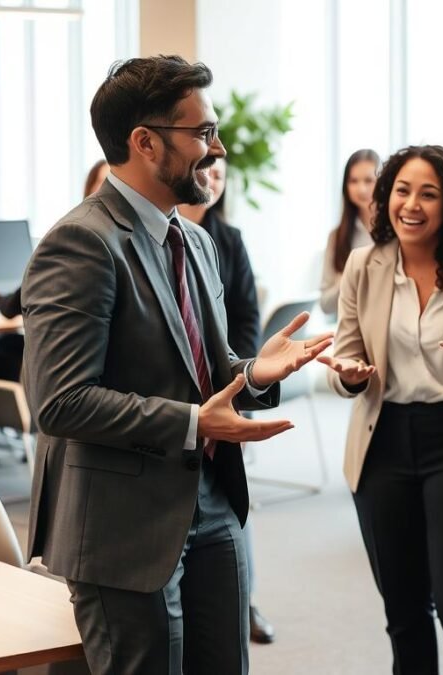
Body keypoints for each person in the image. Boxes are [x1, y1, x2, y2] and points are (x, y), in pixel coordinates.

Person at [21, 55, 332, 675]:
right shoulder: (80, 243)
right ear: (145, 142)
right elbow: (60, 401)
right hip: (122, 522)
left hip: (211, 501)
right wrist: (194, 422)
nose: (217, 150)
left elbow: (205, 372)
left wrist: (254, 374)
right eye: (203, 132)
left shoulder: (195, 240)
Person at [319, 145, 443, 674]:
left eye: (428, 194)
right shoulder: (363, 265)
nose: (411, 205)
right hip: (382, 441)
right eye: (402, 191)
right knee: (404, 610)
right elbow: (345, 356)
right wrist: (347, 375)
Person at [0, 160, 109, 464]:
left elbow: (13, 304)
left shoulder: (75, 239)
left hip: (53, 373)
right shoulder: (83, 236)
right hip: (67, 366)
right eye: (103, 183)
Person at [178, 157, 274, 645]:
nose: (212, 180)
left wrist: (242, 377)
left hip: (224, 385)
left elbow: (245, 315)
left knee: (228, 497)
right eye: (206, 168)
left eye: (220, 175)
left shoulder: (222, 239)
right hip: (177, 409)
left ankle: (245, 599)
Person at [318, 148, 379, 316]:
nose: (361, 189)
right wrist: (349, 277)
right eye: (353, 181)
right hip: (352, 326)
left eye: (369, 180)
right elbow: (325, 305)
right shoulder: (337, 237)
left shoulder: (397, 232)